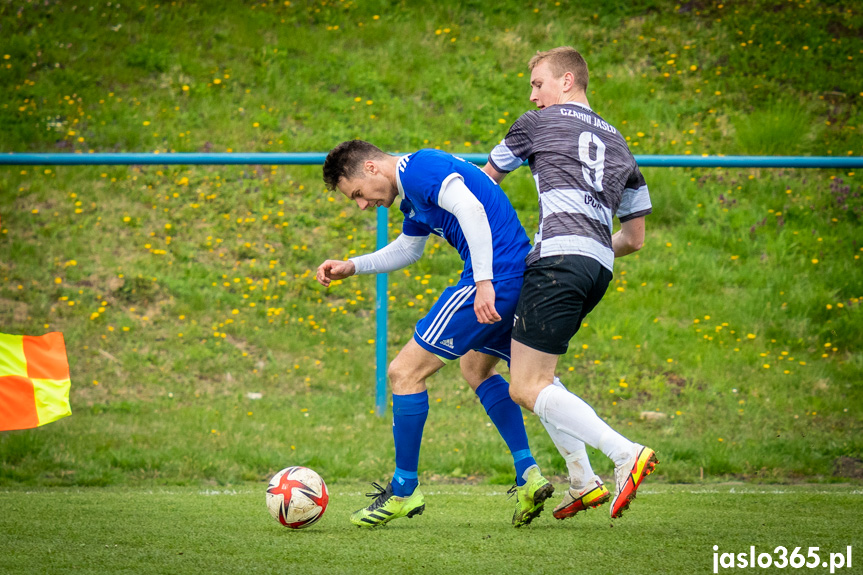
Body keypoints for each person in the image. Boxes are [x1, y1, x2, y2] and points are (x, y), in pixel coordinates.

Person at [316, 140, 554, 528]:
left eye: (357, 194)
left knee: (403, 372)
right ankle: (529, 473)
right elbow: (410, 249)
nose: (361, 205)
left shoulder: (418, 168)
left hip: (497, 278)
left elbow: (472, 209)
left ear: (372, 167)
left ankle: (404, 488)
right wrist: (353, 266)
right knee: (477, 369)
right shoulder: (412, 193)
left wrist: (482, 283)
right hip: (512, 275)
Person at [482, 46, 659, 520]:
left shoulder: (536, 123)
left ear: (566, 81)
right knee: (543, 376)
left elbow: (484, 184)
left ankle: (625, 453)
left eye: (538, 83)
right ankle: (582, 479)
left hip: (557, 260)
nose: (532, 95)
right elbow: (635, 239)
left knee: (524, 386)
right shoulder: (621, 143)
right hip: (598, 266)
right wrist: (592, 243)